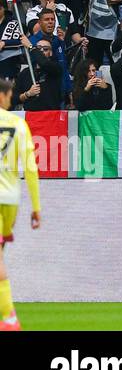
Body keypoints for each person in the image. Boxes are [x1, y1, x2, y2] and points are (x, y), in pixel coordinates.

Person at [0, 79, 40, 331]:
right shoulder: (18, 123)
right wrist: (36, 206)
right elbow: (31, 168)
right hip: (10, 198)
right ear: (3, 96)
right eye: (10, 94)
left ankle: (9, 316)